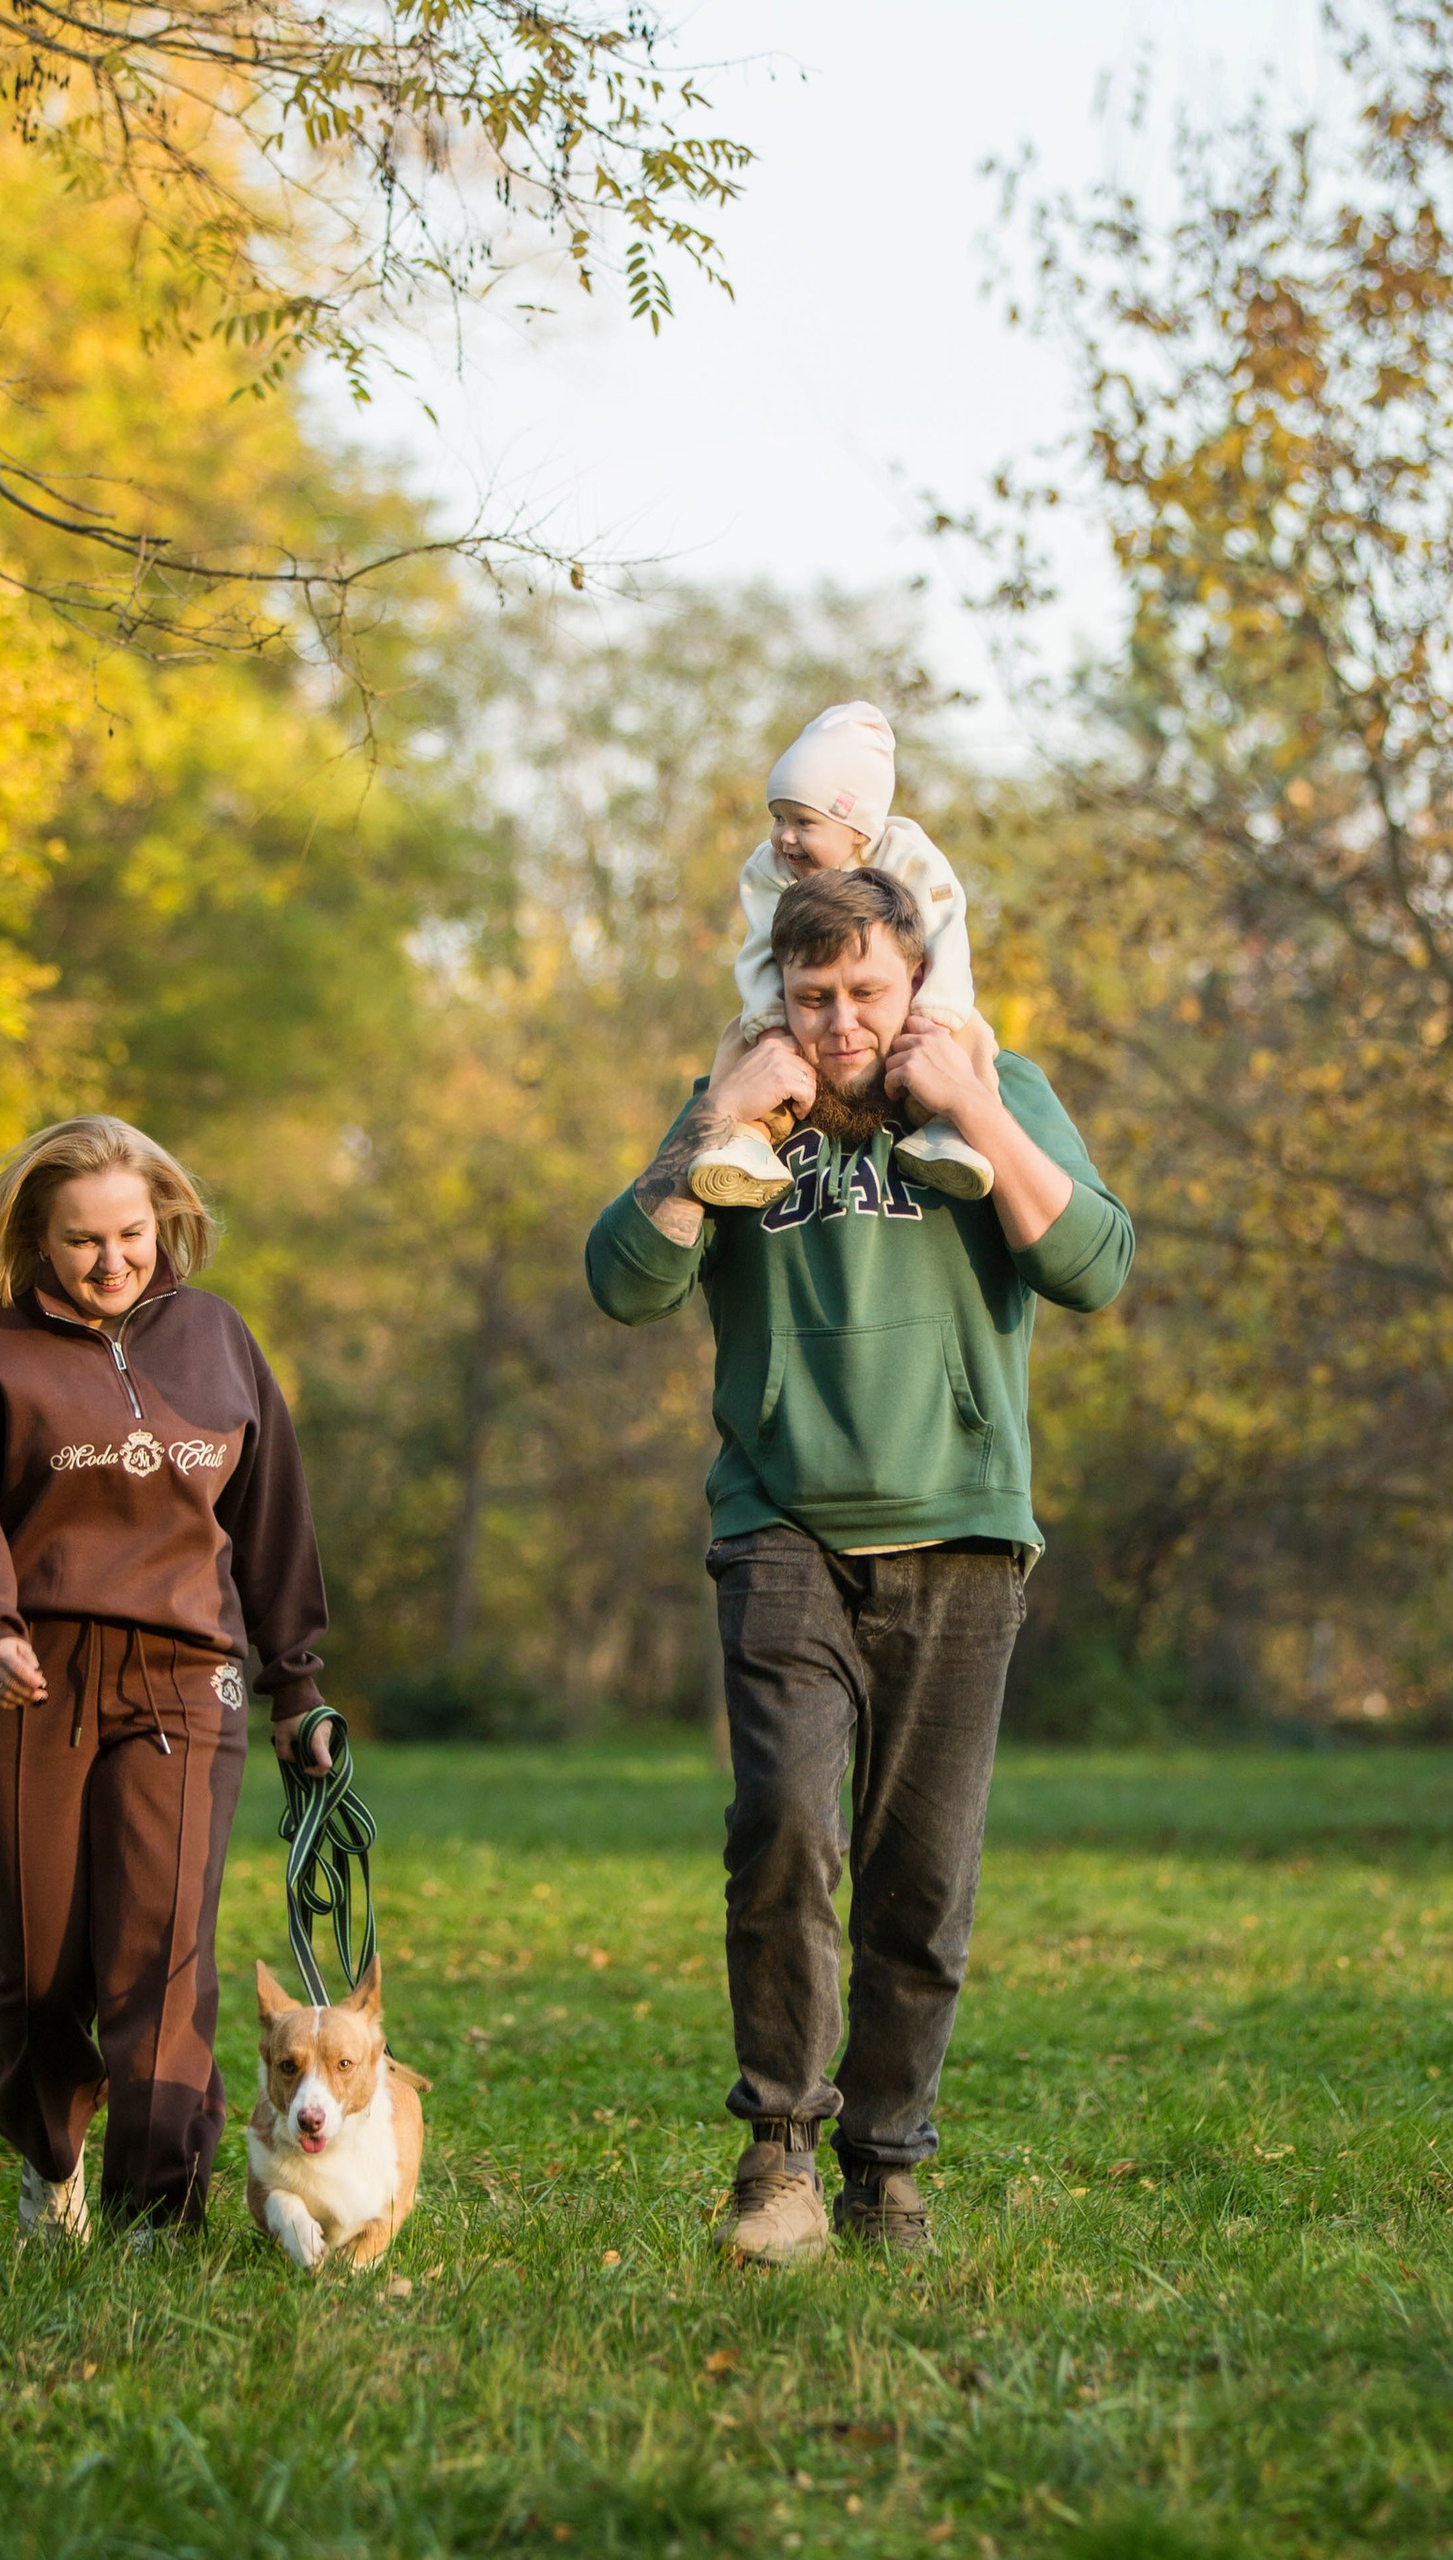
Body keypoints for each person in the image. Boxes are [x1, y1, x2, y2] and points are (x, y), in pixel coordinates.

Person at [587, 867, 1134, 2262]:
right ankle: (776, 2160)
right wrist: (717, 1122)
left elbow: (1094, 1265)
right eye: (814, 994)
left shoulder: (997, 1090)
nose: (839, 1022)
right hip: (782, 1526)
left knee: (921, 1876)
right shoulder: (739, 1115)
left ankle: (885, 2169)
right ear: (779, 991)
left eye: (866, 994)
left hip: (963, 1528)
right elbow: (625, 1283)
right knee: (784, 1821)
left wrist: (974, 1111)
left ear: (913, 987)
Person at [0, 1115, 334, 2243]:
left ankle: (159, 2206)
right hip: (27, 1681)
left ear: (167, 1221)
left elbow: (272, 1517)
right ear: (37, 1242)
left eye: (131, 1234)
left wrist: (297, 1685)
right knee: (42, 1963)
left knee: (163, 1955)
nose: (112, 1261)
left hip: (185, 1673)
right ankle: (52, 2148)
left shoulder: (216, 1339)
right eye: (82, 1242)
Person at [688, 701, 1001, 1209]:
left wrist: (935, 1015)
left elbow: (946, 930)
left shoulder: (907, 857)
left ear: (860, 830)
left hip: (925, 1018)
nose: (785, 837)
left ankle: (953, 1129)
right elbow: (758, 954)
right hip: (784, 1024)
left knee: (970, 1036)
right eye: (778, 818)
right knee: (742, 1044)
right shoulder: (770, 870)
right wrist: (769, 1024)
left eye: (804, 822)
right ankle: (746, 1140)